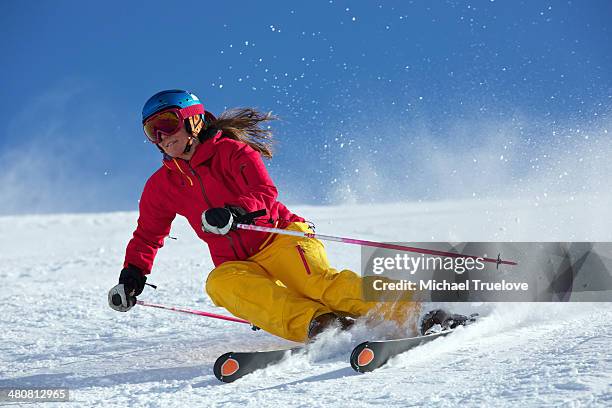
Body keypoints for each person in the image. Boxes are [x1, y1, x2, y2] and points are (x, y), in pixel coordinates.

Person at [107, 89, 457, 342]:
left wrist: (235, 211)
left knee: (315, 283)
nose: (162, 137)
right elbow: (147, 235)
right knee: (221, 284)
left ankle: (417, 308)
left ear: (193, 121)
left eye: (167, 124)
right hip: (236, 260)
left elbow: (264, 193)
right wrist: (132, 276)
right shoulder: (162, 185)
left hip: (279, 236)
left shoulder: (231, 152)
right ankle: (321, 325)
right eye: (152, 131)